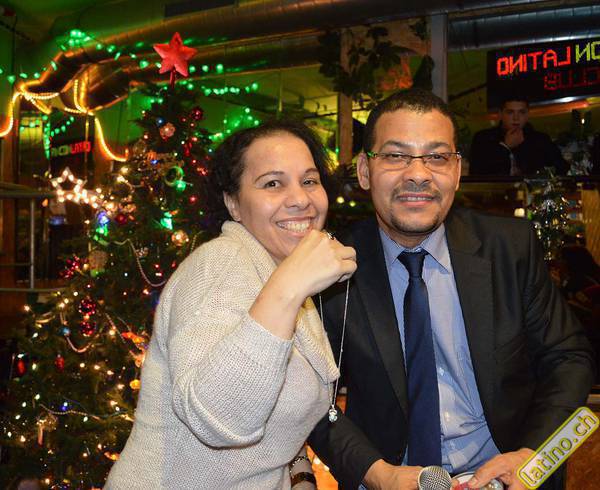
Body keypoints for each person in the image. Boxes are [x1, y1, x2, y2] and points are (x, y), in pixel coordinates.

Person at [308, 89, 595, 490]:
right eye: (396, 156)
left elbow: (568, 358)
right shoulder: (330, 270)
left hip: (507, 473)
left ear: (457, 172)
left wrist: (532, 456)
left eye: (437, 157)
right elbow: (310, 400)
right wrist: (377, 474)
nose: (418, 174)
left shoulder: (508, 248)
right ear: (364, 170)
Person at [105, 120, 357, 488]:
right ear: (233, 203)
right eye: (273, 184)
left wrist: (301, 475)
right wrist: (289, 287)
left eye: (309, 181)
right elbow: (217, 417)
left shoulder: (274, 271)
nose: (300, 199)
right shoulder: (221, 264)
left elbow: (276, 415)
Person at [469, 95, 568, 176]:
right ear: (500, 114)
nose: (516, 118)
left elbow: (562, 168)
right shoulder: (483, 138)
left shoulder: (540, 140)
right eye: (510, 112)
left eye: (521, 112)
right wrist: (505, 147)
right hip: (493, 192)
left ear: (527, 114)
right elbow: (477, 172)